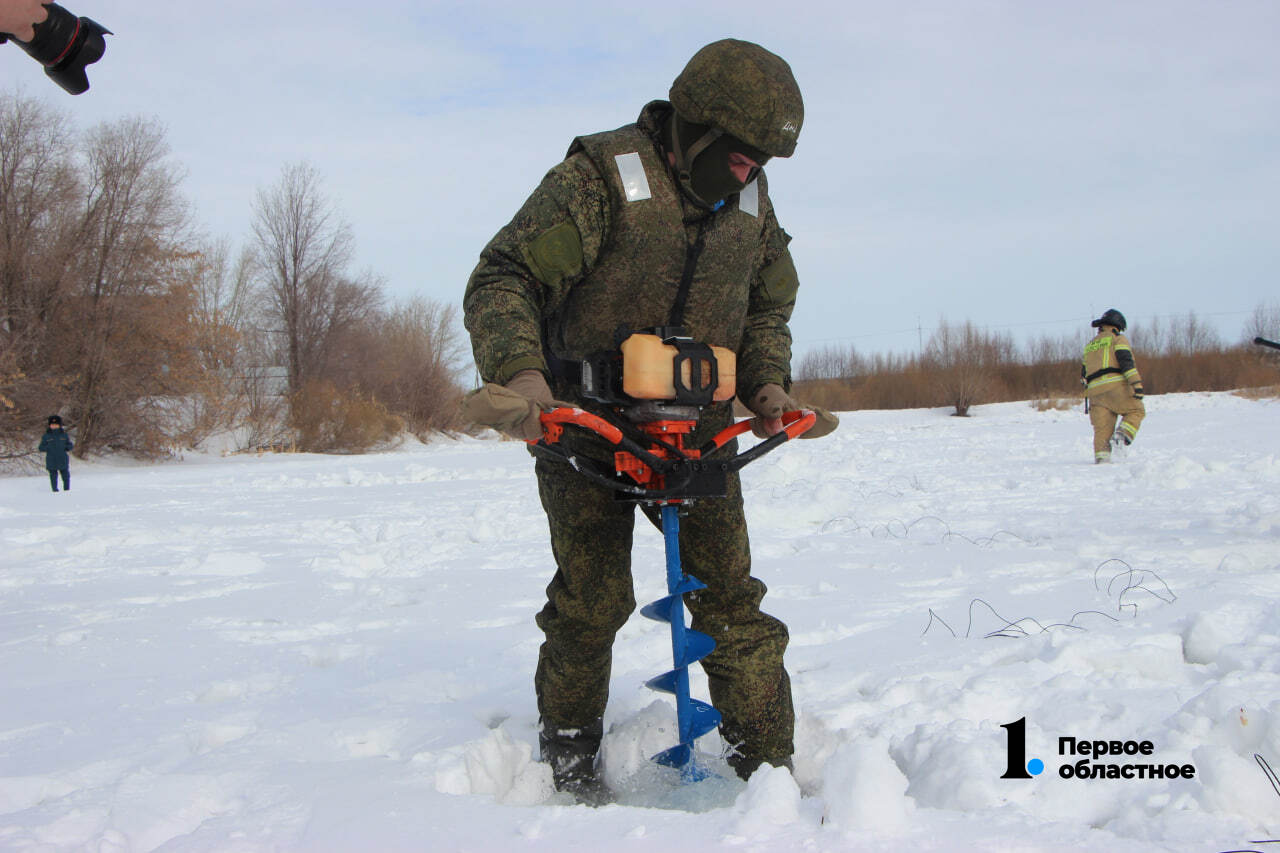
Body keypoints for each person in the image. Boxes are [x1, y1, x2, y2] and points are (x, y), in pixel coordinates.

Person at [460, 38, 837, 803]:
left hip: (698, 429)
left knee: (731, 601)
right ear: (697, 128)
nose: (749, 175)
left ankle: (771, 776)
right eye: (739, 157)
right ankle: (570, 766)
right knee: (593, 600)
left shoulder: (752, 204)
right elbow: (505, 276)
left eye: (762, 163)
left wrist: (767, 387)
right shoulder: (602, 178)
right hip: (584, 423)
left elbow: (768, 305)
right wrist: (524, 379)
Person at [1081, 308, 1145, 463]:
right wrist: (1136, 383)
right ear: (1116, 326)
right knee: (1136, 411)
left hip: (1095, 395)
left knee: (1102, 431)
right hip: (1116, 388)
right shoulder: (1117, 339)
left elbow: (1083, 375)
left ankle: (1102, 461)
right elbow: (1126, 363)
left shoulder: (1089, 346)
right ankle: (1122, 436)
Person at [39, 414, 73, 491]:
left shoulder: (64, 435)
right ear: (49, 425)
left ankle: (67, 490)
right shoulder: (46, 436)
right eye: (52, 425)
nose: (54, 426)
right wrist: (48, 448)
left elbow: (69, 444)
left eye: (56, 424)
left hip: (62, 459)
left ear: (59, 425)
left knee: (66, 475)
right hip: (51, 459)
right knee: (53, 476)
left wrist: (67, 447)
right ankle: (54, 490)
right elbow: (41, 447)